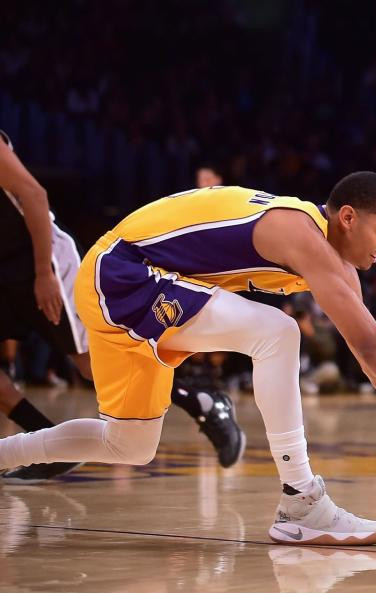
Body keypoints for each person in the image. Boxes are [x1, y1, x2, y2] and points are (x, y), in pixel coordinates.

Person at [0, 172, 376, 545]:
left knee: (130, 443)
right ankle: (300, 499)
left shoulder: (335, 265)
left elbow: (371, 353)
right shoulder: (298, 231)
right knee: (277, 332)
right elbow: (374, 348)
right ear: (347, 217)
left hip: (135, 285)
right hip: (125, 271)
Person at [0, 131, 243, 483]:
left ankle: (201, 400)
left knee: (91, 365)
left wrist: (42, 273)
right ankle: (45, 444)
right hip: (4, 271)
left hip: (41, 260)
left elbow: (34, 195)